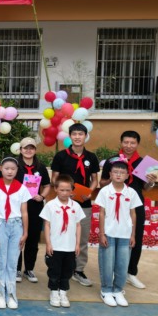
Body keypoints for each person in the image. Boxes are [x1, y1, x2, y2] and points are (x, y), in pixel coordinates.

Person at [100, 131, 157, 290]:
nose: (129, 146)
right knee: (112, 237)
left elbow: (145, 188)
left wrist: (151, 182)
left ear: (137, 144)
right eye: (126, 142)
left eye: (132, 143)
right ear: (121, 142)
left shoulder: (144, 163)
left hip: (135, 205)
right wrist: (114, 177)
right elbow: (102, 182)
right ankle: (113, 272)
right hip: (114, 203)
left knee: (135, 237)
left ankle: (131, 272)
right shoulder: (112, 161)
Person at [51, 123, 100, 288]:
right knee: (61, 234)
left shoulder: (91, 157)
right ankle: (60, 267)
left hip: (84, 203)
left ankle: (78, 270)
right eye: (74, 134)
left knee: (82, 238)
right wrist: (65, 191)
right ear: (70, 136)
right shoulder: (60, 156)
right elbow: (54, 179)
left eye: (80, 134)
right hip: (63, 202)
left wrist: (89, 192)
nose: (77, 137)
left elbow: (95, 180)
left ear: (85, 136)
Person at [96, 161, 142, 307]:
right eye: (115, 172)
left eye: (122, 173)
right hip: (109, 233)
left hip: (125, 234)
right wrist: (102, 233)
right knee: (107, 263)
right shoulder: (104, 191)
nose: (118, 175)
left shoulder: (131, 192)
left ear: (127, 175)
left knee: (122, 264)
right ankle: (106, 290)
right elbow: (101, 213)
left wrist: (133, 235)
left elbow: (133, 214)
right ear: (110, 174)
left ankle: (118, 290)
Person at [0, 157, 31, 309]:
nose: (9, 171)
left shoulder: (22, 188)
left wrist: (25, 232)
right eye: (6, 168)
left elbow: (24, 212)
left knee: (12, 263)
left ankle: (11, 294)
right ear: (0, 168)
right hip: (0, 225)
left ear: (17, 170)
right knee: (1, 262)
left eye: (13, 169)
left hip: (16, 225)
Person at [40, 175, 84, 308]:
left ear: (72, 190)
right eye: (62, 190)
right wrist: (48, 243)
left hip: (70, 246)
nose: (65, 193)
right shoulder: (50, 205)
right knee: (54, 270)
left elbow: (78, 225)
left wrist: (77, 244)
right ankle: (54, 291)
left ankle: (63, 292)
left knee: (68, 270)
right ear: (55, 189)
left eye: (68, 190)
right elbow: (47, 225)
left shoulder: (76, 206)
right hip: (55, 246)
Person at [15, 137, 51, 284]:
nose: (28, 150)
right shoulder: (15, 165)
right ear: (20, 150)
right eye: (25, 148)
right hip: (17, 207)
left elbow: (47, 185)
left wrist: (42, 196)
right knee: (18, 238)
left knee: (33, 239)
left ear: (35, 150)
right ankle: (16, 268)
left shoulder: (40, 167)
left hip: (35, 206)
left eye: (31, 148)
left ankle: (29, 268)